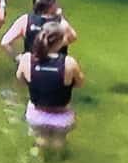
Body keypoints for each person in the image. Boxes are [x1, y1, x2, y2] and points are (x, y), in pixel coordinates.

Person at [20, 19, 83, 154]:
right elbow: (80, 83)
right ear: (60, 42)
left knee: (40, 139)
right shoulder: (69, 63)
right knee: (59, 142)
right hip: (61, 118)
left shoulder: (27, 59)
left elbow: (20, 78)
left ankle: (38, 152)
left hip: (36, 115)